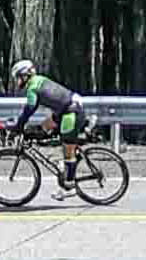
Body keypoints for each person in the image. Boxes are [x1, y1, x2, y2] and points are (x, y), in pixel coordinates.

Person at [7, 57, 93, 186]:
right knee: (44, 128)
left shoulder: (32, 88)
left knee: (67, 148)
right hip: (66, 109)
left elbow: (30, 108)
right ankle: (65, 164)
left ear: (25, 75)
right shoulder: (39, 79)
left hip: (71, 112)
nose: (17, 81)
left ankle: (69, 185)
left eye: (18, 77)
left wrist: (18, 125)